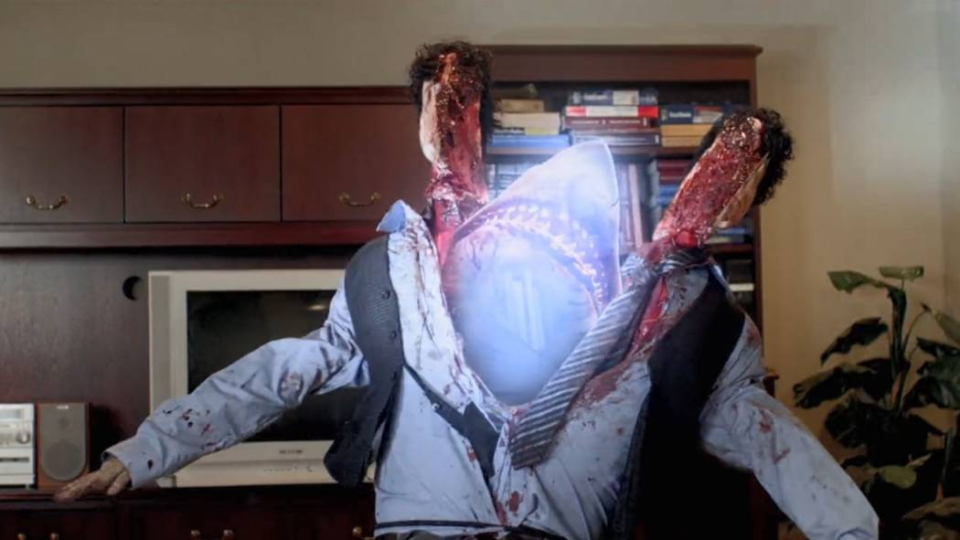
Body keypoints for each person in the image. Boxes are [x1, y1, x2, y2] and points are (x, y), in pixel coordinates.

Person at [56, 41, 878, 540]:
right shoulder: (399, 290)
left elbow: (768, 435)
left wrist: (848, 529)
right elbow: (283, 371)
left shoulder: (676, 330)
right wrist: (144, 453)